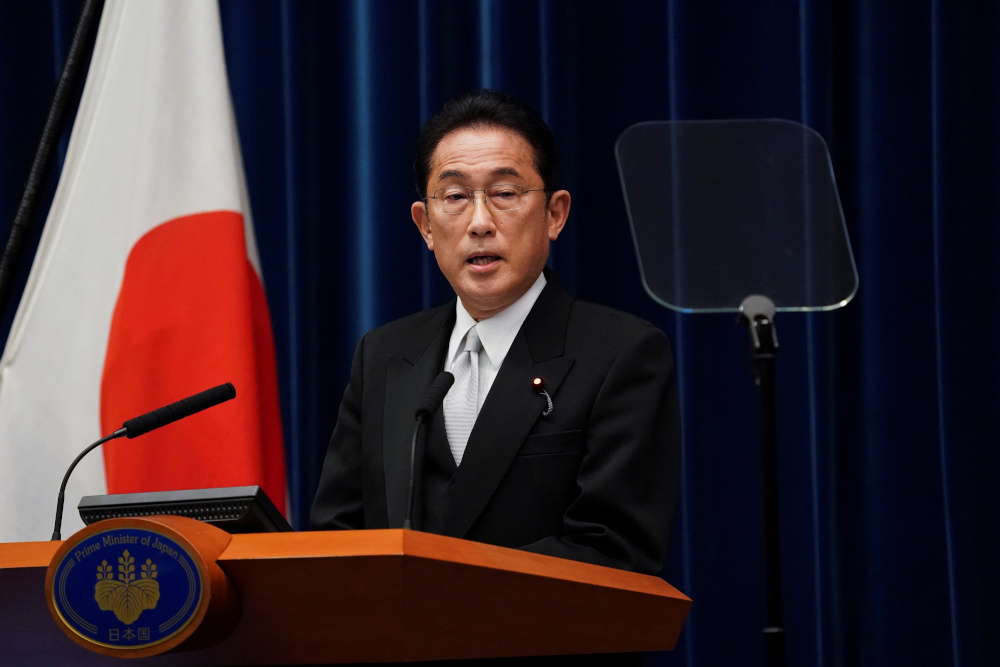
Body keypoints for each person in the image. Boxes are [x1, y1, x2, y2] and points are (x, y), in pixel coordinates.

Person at [310, 90, 681, 579]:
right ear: (424, 223)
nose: (479, 223)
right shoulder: (383, 355)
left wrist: (441, 599)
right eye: (456, 196)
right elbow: (337, 533)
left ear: (555, 214)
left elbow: (615, 552)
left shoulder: (621, 354)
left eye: (505, 194)